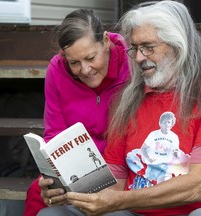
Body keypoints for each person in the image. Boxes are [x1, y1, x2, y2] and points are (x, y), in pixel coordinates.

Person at [38, 1, 201, 215]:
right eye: (134, 48)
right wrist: (66, 191)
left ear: (177, 45)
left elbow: (198, 186)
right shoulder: (127, 100)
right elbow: (114, 184)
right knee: (53, 213)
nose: (139, 57)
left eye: (148, 47)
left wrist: (118, 200)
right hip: (134, 211)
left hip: (194, 210)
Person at [23, 8, 130, 216]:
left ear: (106, 41)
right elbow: (55, 132)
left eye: (91, 57)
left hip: (121, 161)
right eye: (74, 63)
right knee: (39, 191)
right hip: (77, 164)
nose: (85, 69)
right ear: (64, 56)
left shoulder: (131, 62)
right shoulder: (56, 69)